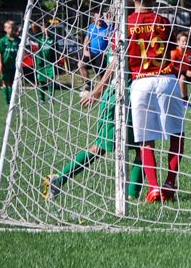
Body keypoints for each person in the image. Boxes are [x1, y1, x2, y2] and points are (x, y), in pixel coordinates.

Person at [44, 25, 143, 201]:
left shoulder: (126, 31)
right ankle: (58, 179)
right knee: (101, 148)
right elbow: (114, 65)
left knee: (143, 147)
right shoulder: (124, 33)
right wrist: (96, 92)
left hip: (133, 97)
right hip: (118, 99)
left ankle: (132, 196)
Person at [127, 0, 186, 203]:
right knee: (177, 134)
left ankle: (153, 187)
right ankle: (170, 182)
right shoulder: (163, 21)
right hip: (166, 80)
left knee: (145, 140)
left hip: (140, 83)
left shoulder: (126, 24)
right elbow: (170, 50)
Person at [79, 11, 111, 90]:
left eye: (100, 17)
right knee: (80, 65)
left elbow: (111, 40)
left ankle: (102, 90)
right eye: (97, 17)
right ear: (94, 18)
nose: (99, 19)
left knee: (101, 75)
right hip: (91, 53)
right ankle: (88, 84)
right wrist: (85, 50)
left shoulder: (107, 27)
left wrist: (108, 50)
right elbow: (87, 39)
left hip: (101, 55)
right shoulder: (91, 27)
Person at [31, 17, 57, 102]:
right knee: (41, 81)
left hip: (50, 63)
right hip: (40, 63)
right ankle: (42, 98)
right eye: (42, 27)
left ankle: (51, 97)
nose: (44, 29)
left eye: (46, 27)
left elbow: (57, 51)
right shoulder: (39, 37)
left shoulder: (53, 39)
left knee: (51, 80)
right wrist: (37, 23)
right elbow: (33, 27)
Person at [0, 20, 20, 105]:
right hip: (5, 65)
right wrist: (0, 64)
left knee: (12, 83)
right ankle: (7, 100)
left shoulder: (18, 40)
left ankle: (11, 100)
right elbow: (0, 54)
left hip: (14, 66)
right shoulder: (3, 40)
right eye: (9, 28)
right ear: (5, 29)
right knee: (5, 82)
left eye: (12, 28)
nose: (11, 29)